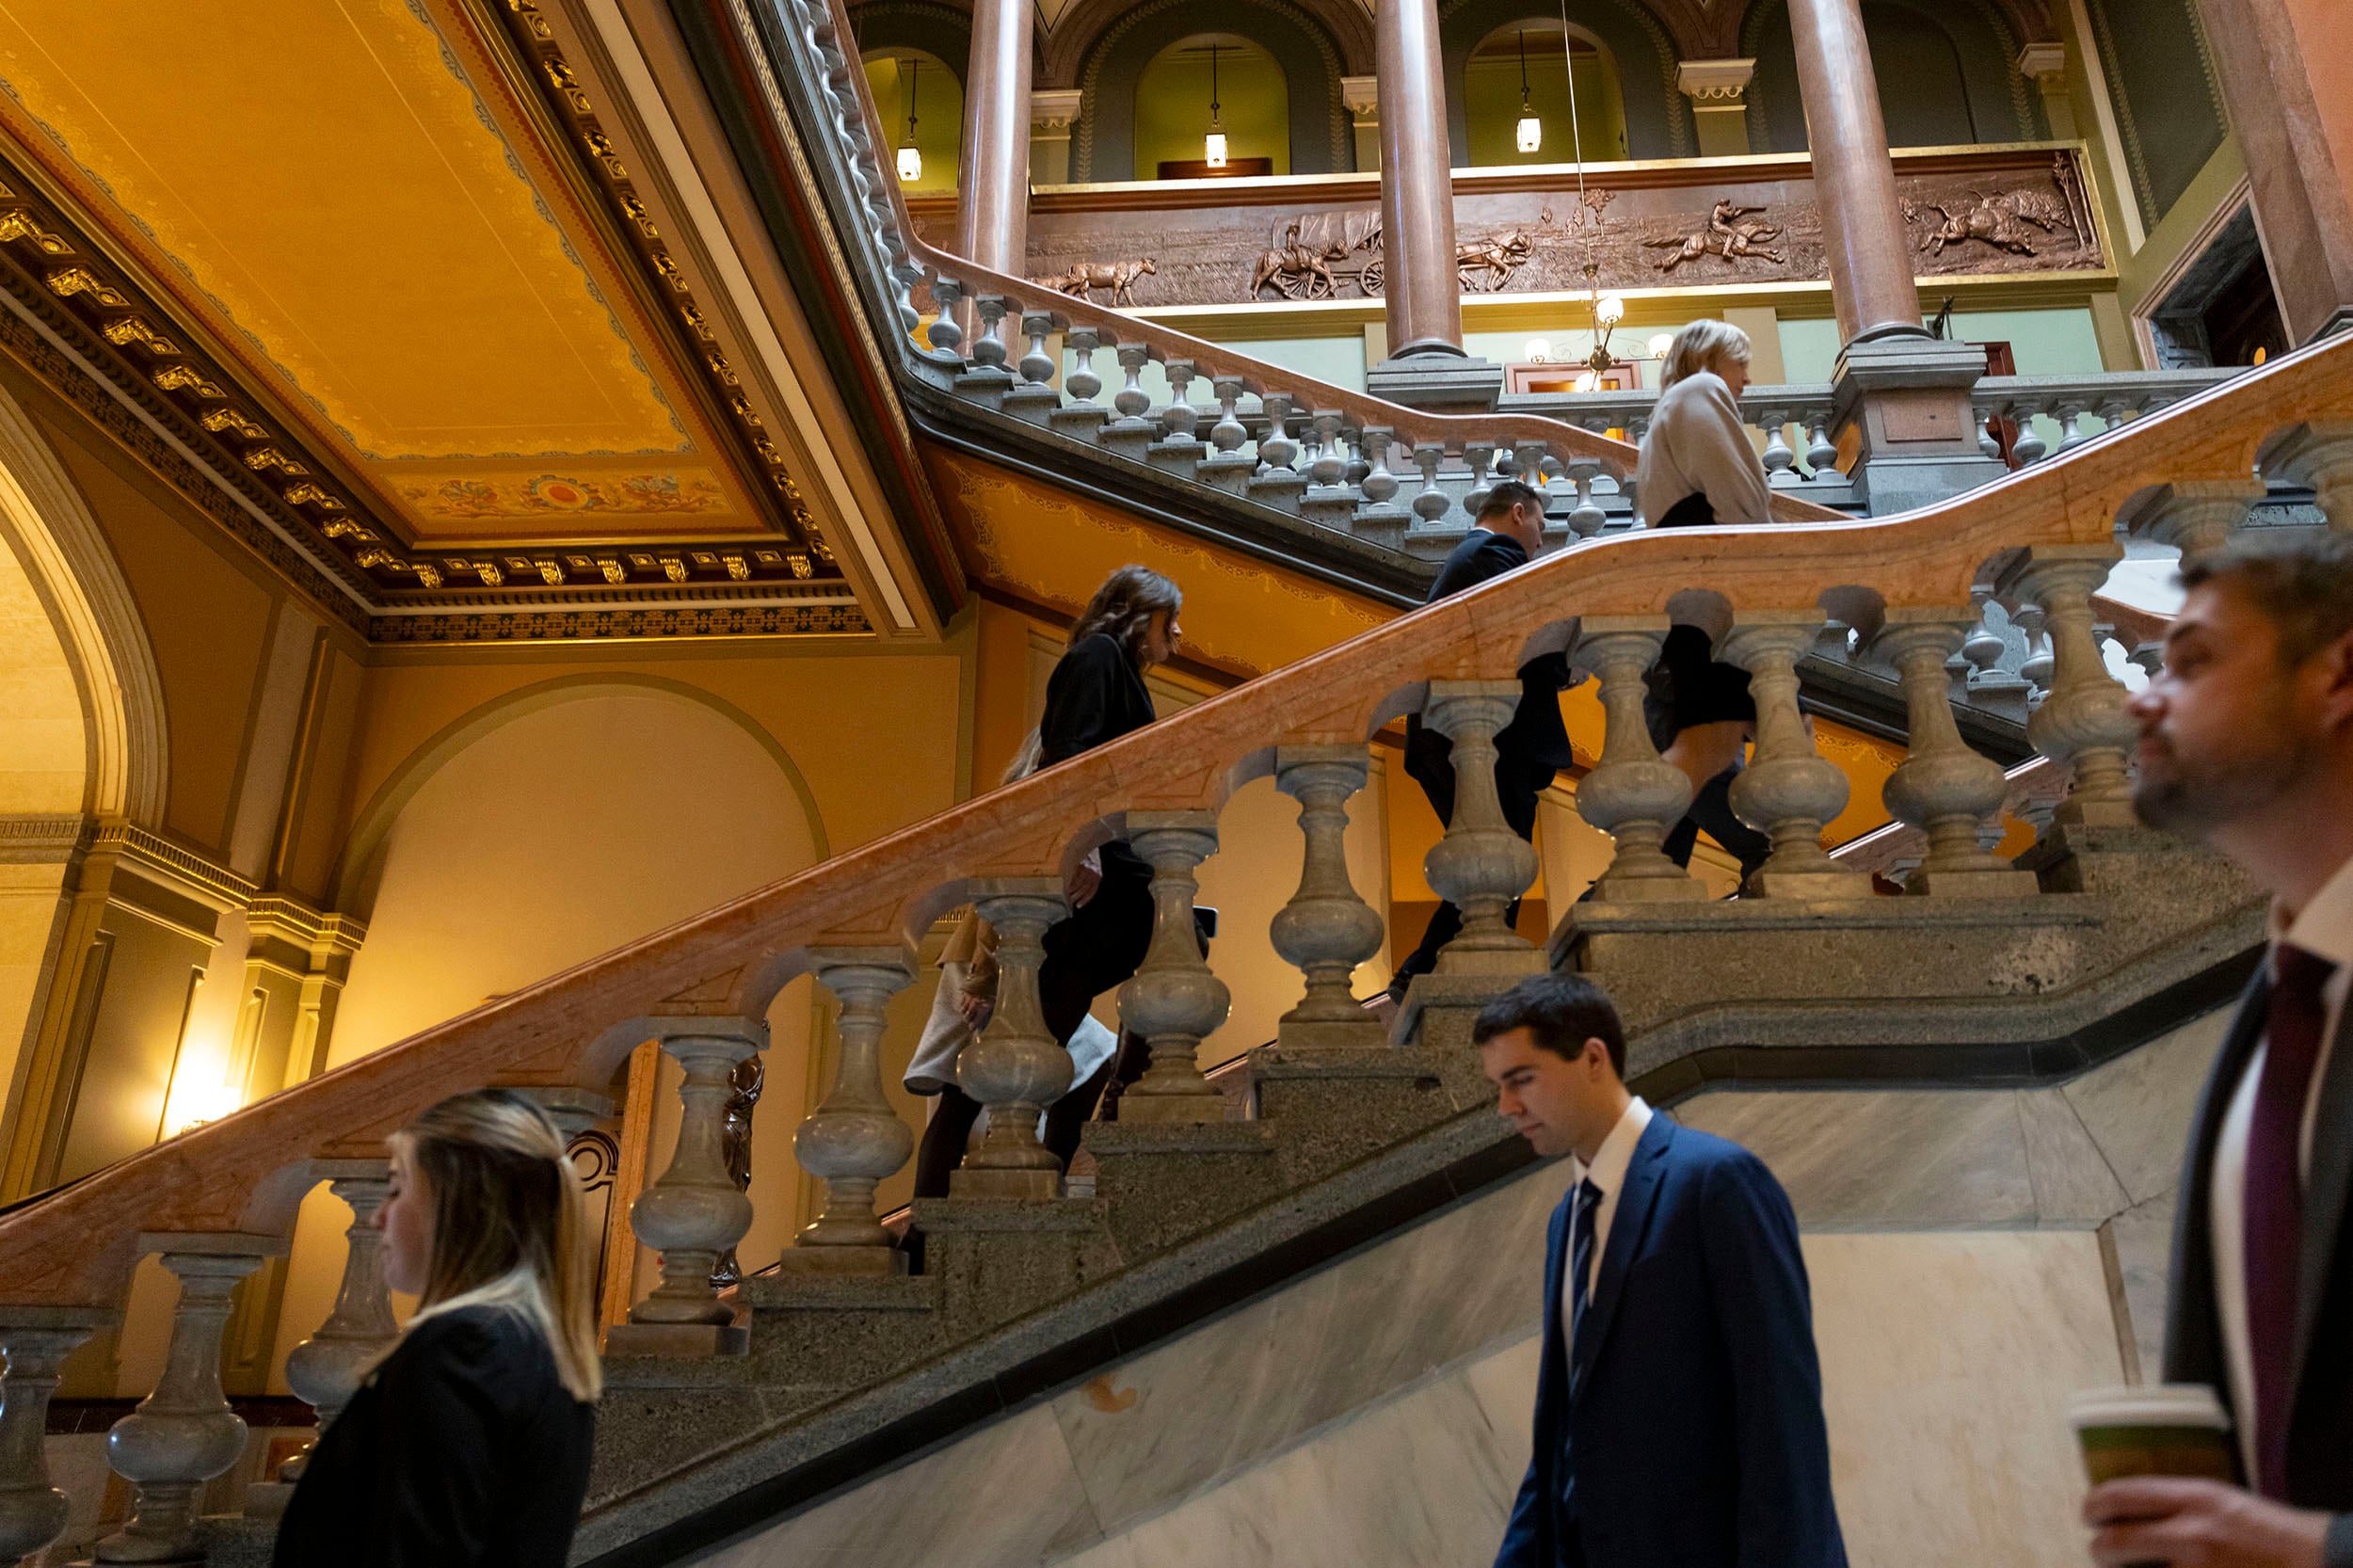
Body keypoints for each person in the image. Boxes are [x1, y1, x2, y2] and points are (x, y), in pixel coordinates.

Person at [2084, 531, 2353, 1568]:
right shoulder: (2273, 1011)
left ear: (2336, 678)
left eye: (2190, 661)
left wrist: (2314, 1550)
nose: (2140, 699)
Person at [1478, 972, 1846, 1568]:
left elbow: (1781, 1419)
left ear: (1593, 1058)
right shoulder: (1564, 1220)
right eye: (1498, 1085)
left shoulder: (1716, 1181)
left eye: (1521, 1079)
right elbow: (1563, 1441)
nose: (1505, 1106)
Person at [908, 565, 1183, 1212]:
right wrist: (1081, 843)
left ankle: (1103, 1116)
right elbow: (1070, 758)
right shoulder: (1098, 656)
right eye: (1171, 617)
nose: (1180, 631)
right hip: (1098, 895)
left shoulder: (1115, 667)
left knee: (1022, 1055)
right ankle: (926, 1227)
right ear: (1141, 615)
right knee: (1002, 1062)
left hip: (1114, 898)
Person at [274, 1088, 599, 1568]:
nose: (378, 1215)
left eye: (398, 1187)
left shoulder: (460, 1350)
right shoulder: (530, 1344)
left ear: (460, 1205)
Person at [1380, 479, 1577, 1013]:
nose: (1540, 538)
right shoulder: (1493, 550)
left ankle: (1422, 979)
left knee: (1488, 866)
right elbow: (1522, 627)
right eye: (1539, 524)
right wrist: (1565, 665)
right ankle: (1453, 981)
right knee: (1500, 863)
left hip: (1456, 740)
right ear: (1518, 513)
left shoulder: (1467, 556)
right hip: (1482, 742)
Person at [1635, 319, 1776, 884]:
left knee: (1719, 745)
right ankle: (1635, 858)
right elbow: (1740, 500)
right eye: (1741, 361)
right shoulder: (1700, 393)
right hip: (1717, 602)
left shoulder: (1664, 417)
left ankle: (1639, 862)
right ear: (1714, 358)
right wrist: (1773, 582)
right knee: (1710, 745)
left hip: (1696, 599)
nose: (1746, 377)